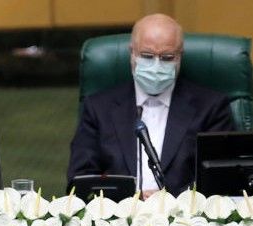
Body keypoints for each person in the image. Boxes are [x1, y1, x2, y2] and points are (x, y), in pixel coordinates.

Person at [67, 13, 235, 196]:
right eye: (147, 56)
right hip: (118, 212)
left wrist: (168, 201)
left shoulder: (211, 108)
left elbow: (219, 177)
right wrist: (133, 199)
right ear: (132, 52)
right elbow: (81, 180)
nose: (156, 66)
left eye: (167, 57)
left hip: (185, 212)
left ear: (180, 56)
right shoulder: (98, 108)